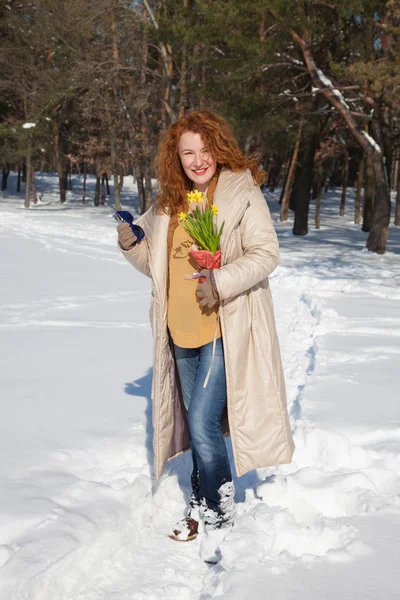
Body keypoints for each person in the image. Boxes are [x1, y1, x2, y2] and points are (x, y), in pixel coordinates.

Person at [117, 111, 294, 563]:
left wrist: (221, 281)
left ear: (218, 147)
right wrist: (131, 242)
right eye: (187, 153)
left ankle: (218, 511)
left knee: (200, 421)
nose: (198, 160)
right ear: (176, 158)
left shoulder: (239, 190)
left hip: (221, 323)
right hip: (178, 327)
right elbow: (156, 267)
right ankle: (202, 496)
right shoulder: (168, 202)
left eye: (204, 150)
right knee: (202, 428)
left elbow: (265, 253)